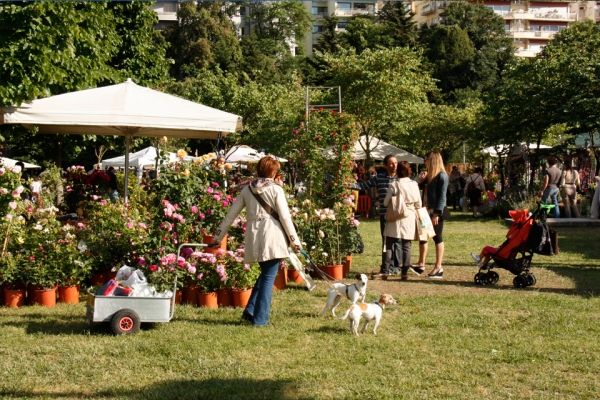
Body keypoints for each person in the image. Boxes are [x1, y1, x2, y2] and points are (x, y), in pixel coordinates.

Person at [211, 156, 301, 327]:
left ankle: (250, 311)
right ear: (273, 172)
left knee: (265, 274)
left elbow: (231, 215)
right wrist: (295, 242)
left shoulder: (247, 190)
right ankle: (260, 319)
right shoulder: (276, 190)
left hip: (255, 236)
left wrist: (217, 237)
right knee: (268, 278)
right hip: (273, 236)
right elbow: (285, 217)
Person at [356, 155, 400, 276]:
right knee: (386, 241)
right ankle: (386, 266)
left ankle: (396, 266)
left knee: (398, 241)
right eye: (391, 163)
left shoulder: (401, 178)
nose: (394, 165)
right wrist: (350, 185)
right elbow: (363, 186)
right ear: (386, 165)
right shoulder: (379, 178)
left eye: (396, 163)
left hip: (398, 216)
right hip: (385, 215)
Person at [382, 161, 421, 281]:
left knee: (389, 244)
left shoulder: (394, 184)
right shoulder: (414, 184)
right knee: (406, 246)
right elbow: (418, 203)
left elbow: (385, 202)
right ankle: (404, 272)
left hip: (394, 216)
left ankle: (386, 271)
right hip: (409, 216)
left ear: (398, 171)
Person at [415, 151, 448, 279]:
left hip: (436, 212)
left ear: (433, 160)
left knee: (437, 237)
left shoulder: (442, 176)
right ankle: (421, 264)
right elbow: (414, 185)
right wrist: (420, 179)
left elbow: (442, 197)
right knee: (423, 236)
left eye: (426, 159)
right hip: (425, 211)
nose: (424, 161)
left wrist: (437, 214)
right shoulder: (429, 176)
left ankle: (438, 267)